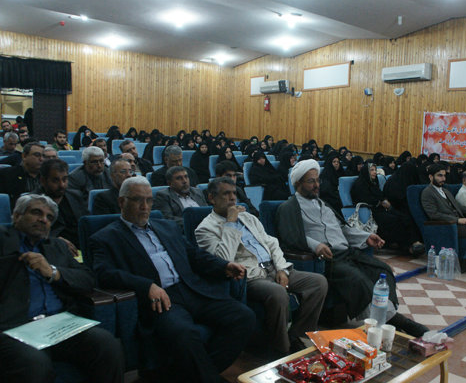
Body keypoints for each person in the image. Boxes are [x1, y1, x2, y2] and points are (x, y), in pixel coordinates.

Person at [91, 177, 255, 383]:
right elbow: (104, 273)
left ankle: (195, 376)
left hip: (191, 290)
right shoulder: (106, 237)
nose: (145, 206)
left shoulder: (166, 227)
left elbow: (194, 255)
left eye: (149, 200)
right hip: (162, 300)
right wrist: (146, 286)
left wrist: (224, 266)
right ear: (122, 202)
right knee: (185, 334)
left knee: (244, 317)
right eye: (138, 200)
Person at [275, 160, 428, 337]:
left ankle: (386, 319)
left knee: (382, 270)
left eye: (318, 180)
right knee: (358, 280)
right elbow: (290, 236)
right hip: (328, 259)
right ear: (297, 183)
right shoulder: (289, 208)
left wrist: (366, 237)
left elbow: (343, 229)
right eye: (311, 181)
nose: (316, 185)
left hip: (348, 253)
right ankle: (400, 323)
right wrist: (316, 246)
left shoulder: (323, 204)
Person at [0, 194, 124, 383]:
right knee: (36, 364)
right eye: (36, 212)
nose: (43, 219)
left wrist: (53, 272)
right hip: (15, 328)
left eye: (49, 217)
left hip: (58, 325)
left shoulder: (57, 246)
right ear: (17, 216)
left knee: (108, 345)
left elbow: (88, 279)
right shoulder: (3, 240)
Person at [197, 177, 328, 355]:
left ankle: (297, 335)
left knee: (318, 283)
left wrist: (281, 269)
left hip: (273, 268)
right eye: (226, 194)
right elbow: (223, 260)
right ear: (212, 198)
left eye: (234, 193)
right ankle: (282, 350)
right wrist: (230, 224)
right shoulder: (205, 229)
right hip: (250, 277)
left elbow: (271, 243)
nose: (232, 198)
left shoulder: (248, 218)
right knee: (278, 292)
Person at [352, 163, 425, 256]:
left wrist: (383, 201)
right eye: (372, 170)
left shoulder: (373, 183)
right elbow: (363, 199)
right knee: (394, 220)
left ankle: (413, 242)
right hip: (369, 211)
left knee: (404, 217)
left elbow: (380, 195)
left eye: (375, 170)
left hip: (381, 209)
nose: (375, 172)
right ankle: (408, 246)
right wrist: (380, 202)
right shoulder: (359, 184)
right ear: (366, 172)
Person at [33, 159, 88, 256]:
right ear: (43, 181)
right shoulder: (33, 202)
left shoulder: (75, 196)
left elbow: (86, 225)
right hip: (49, 251)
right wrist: (55, 241)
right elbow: (30, 234)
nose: (62, 185)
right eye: (55, 180)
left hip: (79, 249)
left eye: (64, 179)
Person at [152, 166, 208, 231]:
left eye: (186, 177)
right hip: (186, 230)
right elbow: (168, 219)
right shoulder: (163, 196)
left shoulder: (197, 192)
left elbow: (208, 212)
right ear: (169, 183)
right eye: (179, 178)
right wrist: (193, 223)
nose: (184, 181)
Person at [0, 141, 44, 207]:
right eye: (37, 155)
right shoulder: (6, 175)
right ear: (24, 156)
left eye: (43, 156)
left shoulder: (47, 176)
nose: (41, 159)